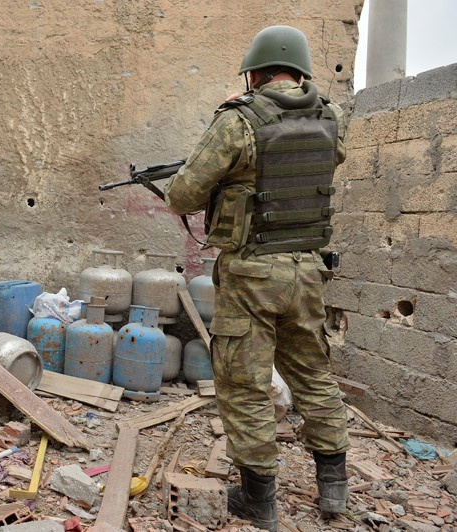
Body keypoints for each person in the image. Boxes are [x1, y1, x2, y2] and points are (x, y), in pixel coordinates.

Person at [163, 26, 350, 531]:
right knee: (313, 375)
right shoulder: (332, 117)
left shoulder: (238, 119)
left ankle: (257, 500)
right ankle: (334, 489)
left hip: (252, 275)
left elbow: (182, 195)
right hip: (308, 270)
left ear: (256, 72)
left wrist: (228, 151)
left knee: (244, 383)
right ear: (301, 70)